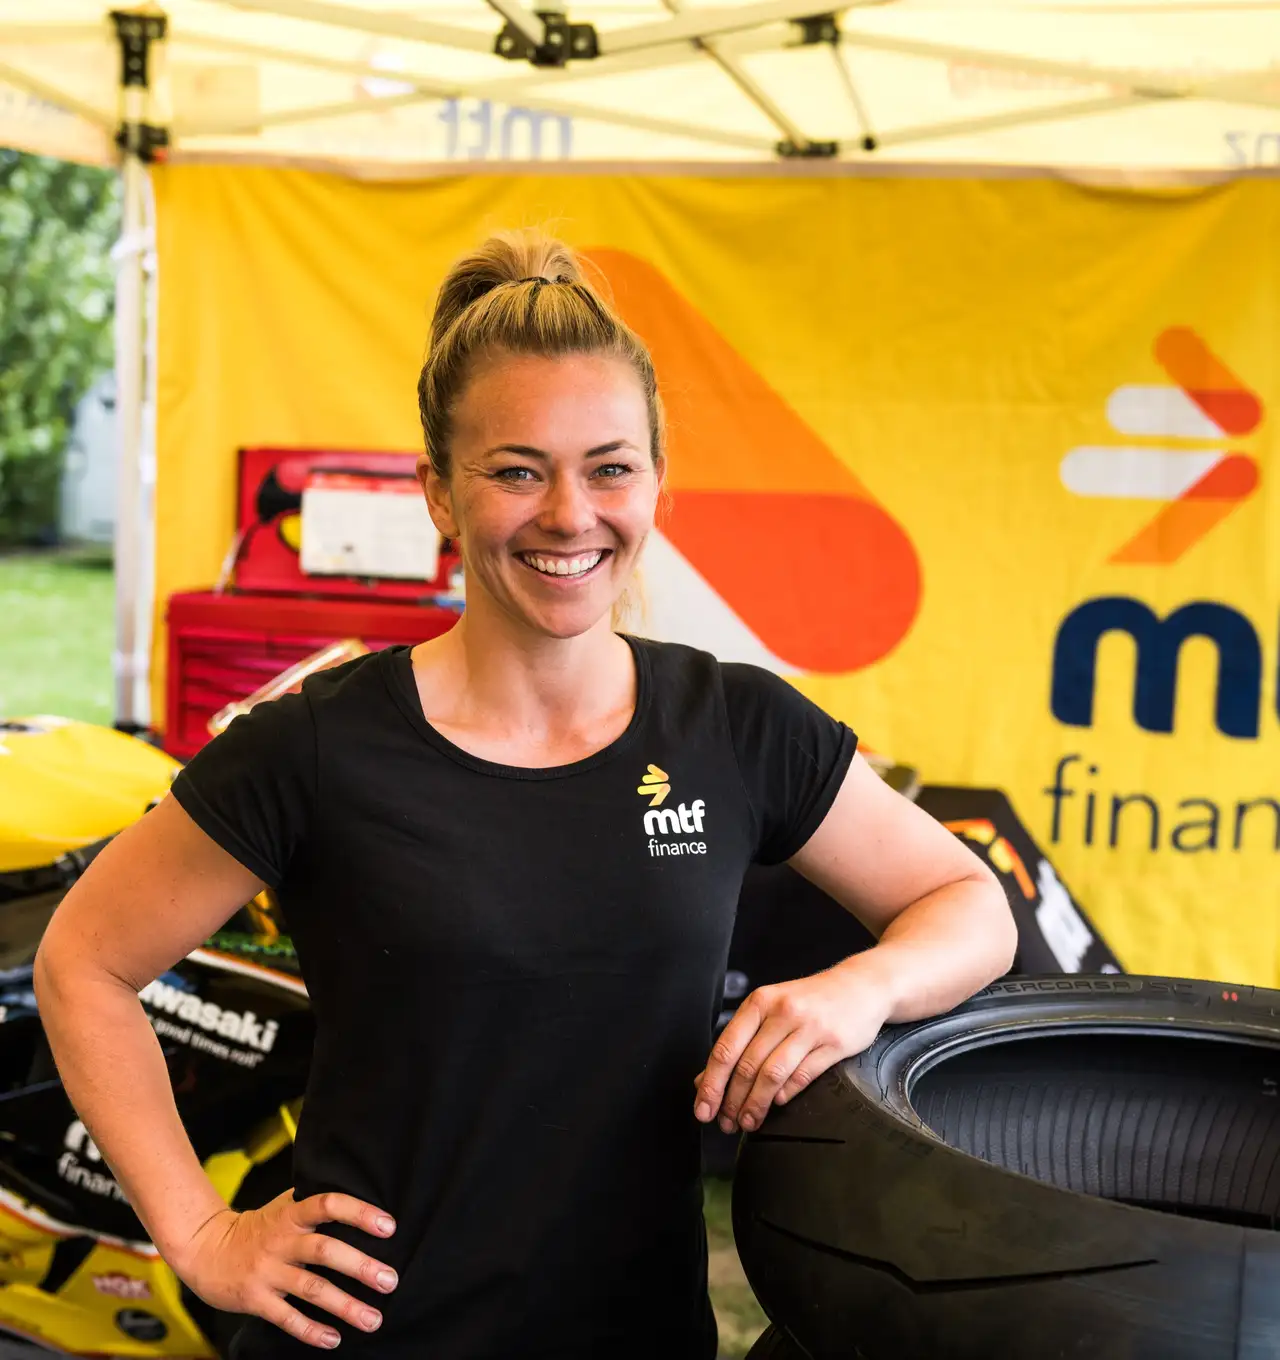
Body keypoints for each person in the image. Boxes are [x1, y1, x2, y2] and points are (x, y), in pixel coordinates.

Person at [33, 229, 1017, 1360]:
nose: (568, 513)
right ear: (440, 496)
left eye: (609, 466)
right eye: (515, 469)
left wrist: (860, 988)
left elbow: (965, 901)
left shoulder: (733, 727)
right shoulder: (316, 745)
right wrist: (200, 1231)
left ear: (653, 481)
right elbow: (84, 963)